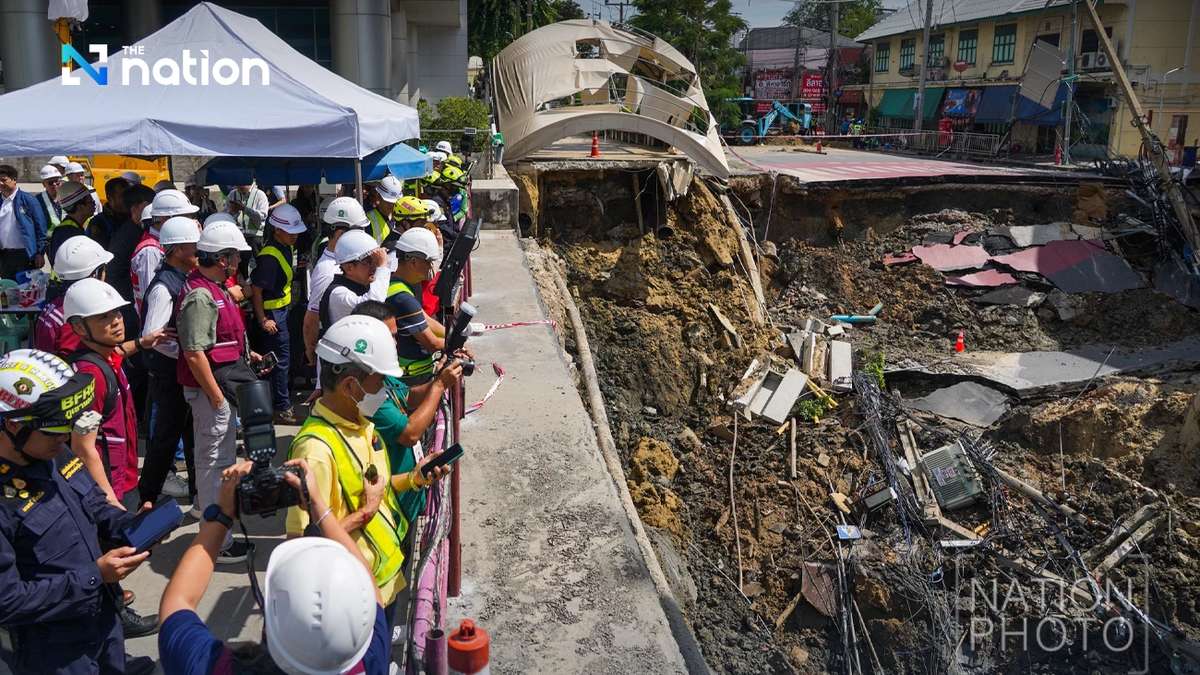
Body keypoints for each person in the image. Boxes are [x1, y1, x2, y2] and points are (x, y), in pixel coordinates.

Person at [286, 315, 451, 631]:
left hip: (383, 587)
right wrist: (365, 513)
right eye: (379, 383)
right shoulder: (315, 452)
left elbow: (381, 490)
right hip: (351, 603)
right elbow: (300, 547)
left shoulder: (363, 427)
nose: (385, 391)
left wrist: (415, 478)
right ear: (351, 385)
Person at [0, 349, 156, 675]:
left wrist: (132, 527)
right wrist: (95, 576)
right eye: (57, 430)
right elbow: (8, 602)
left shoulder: (51, 450)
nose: (67, 436)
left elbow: (95, 505)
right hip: (51, 650)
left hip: (102, 619)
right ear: (14, 426)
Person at [158, 458, 392, 675]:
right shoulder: (371, 660)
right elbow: (372, 591)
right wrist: (318, 505)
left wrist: (222, 514)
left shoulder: (216, 667)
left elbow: (177, 603)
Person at [175, 220, 253, 563]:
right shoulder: (201, 295)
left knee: (218, 461)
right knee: (213, 465)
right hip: (211, 395)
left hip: (217, 391)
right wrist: (218, 399)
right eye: (234, 256)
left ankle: (216, 531)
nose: (237, 263)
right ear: (223, 259)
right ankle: (215, 542)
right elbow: (194, 353)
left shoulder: (212, 287)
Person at [353, 301, 461, 525]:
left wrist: (439, 376)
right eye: (388, 336)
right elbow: (410, 433)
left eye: (395, 335)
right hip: (390, 507)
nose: (394, 342)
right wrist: (439, 386)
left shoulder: (379, 373)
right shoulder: (364, 394)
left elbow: (409, 396)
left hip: (408, 493)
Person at [62, 278, 167, 508]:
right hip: (113, 490)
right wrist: (110, 502)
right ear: (79, 327)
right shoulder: (91, 378)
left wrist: (142, 342)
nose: (116, 321)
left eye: (116, 313)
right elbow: (83, 447)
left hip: (125, 481)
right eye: (103, 317)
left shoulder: (105, 356)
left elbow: (119, 352)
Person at [138, 216, 202, 506]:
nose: (199, 252)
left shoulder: (182, 278)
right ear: (176, 250)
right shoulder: (165, 287)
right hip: (170, 375)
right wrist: (189, 353)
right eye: (194, 247)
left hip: (182, 372)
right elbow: (155, 336)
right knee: (166, 437)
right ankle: (147, 494)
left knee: (192, 435)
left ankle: (198, 490)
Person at [249, 204, 306, 424]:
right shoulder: (270, 257)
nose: (294, 236)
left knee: (283, 360)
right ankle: (281, 407)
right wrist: (263, 319)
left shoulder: (284, 247)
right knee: (278, 362)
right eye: (290, 232)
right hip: (273, 315)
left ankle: (281, 402)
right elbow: (257, 290)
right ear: (277, 230)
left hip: (282, 311)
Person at [303, 197, 370, 368]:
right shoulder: (328, 269)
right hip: (341, 357)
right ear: (340, 233)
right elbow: (312, 317)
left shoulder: (343, 259)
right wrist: (311, 350)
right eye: (359, 230)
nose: (363, 234)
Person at [387, 228, 450, 393]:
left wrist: (451, 335)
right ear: (413, 261)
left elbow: (426, 320)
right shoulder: (403, 298)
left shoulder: (397, 284)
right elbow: (432, 343)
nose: (431, 266)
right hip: (412, 377)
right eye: (428, 261)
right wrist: (457, 344)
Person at [34, 235, 112, 357]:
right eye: (104, 269)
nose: (105, 274)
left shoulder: (57, 304)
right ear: (95, 274)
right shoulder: (78, 315)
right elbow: (74, 363)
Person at [316, 229, 389, 339]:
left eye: (375, 261)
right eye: (368, 262)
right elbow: (374, 305)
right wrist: (382, 267)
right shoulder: (338, 293)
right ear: (349, 268)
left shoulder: (365, 285)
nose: (374, 266)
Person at [133, 189, 198, 313]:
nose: (190, 222)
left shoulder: (160, 243)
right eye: (185, 217)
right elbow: (155, 298)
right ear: (164, 219)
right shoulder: (150, 251)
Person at [0, 164, 49, 278]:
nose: (0, 183)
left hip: (26, 255)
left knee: (25, 291)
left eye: (3, 180)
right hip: (5, 256)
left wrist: (40, 253)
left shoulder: (29, 200)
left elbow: (41, 228)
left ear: (14, 180)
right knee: (8, 291)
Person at [48, 181, 96, 265]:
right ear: (80, 207)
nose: (94, 203)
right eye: (90, 201)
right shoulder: (69, 233)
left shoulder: (71, 228)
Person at [86, 177, 131, 249]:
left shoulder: (134, 219)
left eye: (128, 196)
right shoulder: (99, 223)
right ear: (110, 198)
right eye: (122, 196)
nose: (127, 200)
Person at [226, 183, 269, 253]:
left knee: (259, 260)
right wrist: (231, 211)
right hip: (238, 236)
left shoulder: (260, 194)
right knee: (241, 262)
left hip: (255, 236)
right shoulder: (232, 194)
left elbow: (262, 216)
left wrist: (244, 209)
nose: (239, 185)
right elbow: (225, 213)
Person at [364, 176, 404, 244]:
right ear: (378, 196)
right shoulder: (368, 221)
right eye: (388, 202)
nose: (392, 205)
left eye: (395, 202)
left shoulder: (401, 218)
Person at [37, 164, 64, 233]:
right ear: (43, 184)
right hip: (48, 241)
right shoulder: (38, 201)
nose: (54, 185)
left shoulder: (68, 196)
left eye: (57, 181)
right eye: (50, 182)